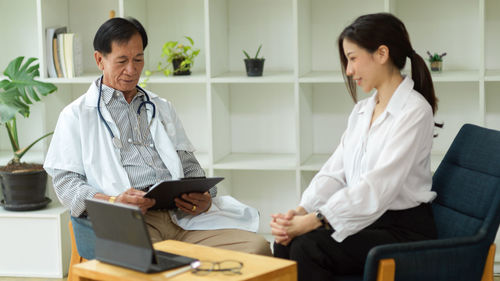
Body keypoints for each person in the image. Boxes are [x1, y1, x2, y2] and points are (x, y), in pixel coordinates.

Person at [44, 17, 271, 256]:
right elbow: (66, 185)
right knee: (156, 262)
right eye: (122, 61)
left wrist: (204, 198)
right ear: (100, 60)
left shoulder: (161, 107)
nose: (131, 70)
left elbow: (190, 167)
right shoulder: (76, 115)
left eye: (138, 59)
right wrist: (113, 202)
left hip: (182, 218)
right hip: (130, 221)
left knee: (257, 249)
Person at [270, 13, 440, 280]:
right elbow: (335, 171)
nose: (349, 71)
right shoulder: (362, 111)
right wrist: (300, 211)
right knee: (284, 242)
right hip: (368, 219)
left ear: (382, 53)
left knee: (308, 247)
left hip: (403, 230)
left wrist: (315, 220)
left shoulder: (415, 112)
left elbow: (378, 186)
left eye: (352, 58)